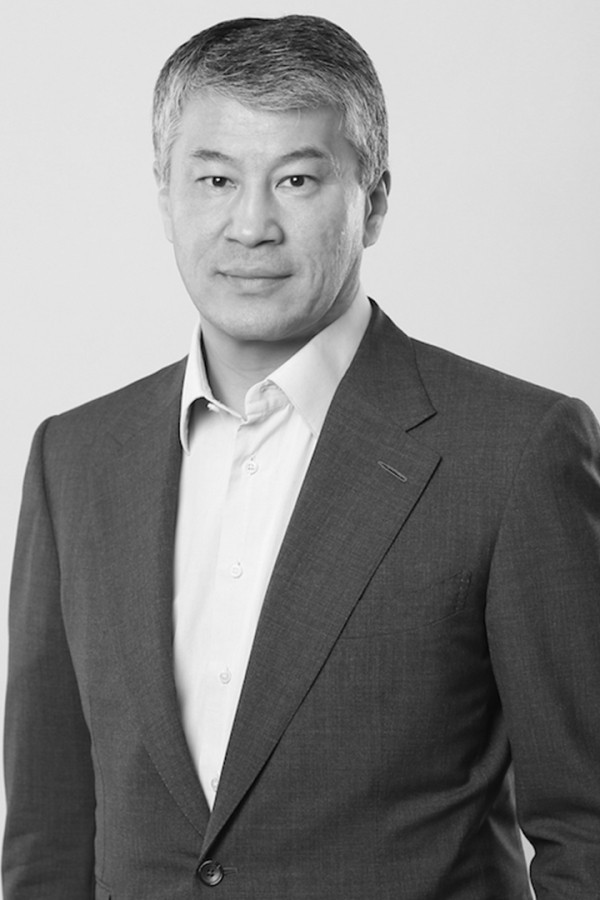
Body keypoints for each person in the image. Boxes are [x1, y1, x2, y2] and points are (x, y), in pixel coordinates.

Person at [3, 14, 600, 899]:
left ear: (374, 200)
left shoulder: (513, 450)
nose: (251, 226)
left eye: (296, 179)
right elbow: (48, 832)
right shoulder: (76, 459)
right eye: (214, 178)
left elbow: (587, 825)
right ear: (164, 196)